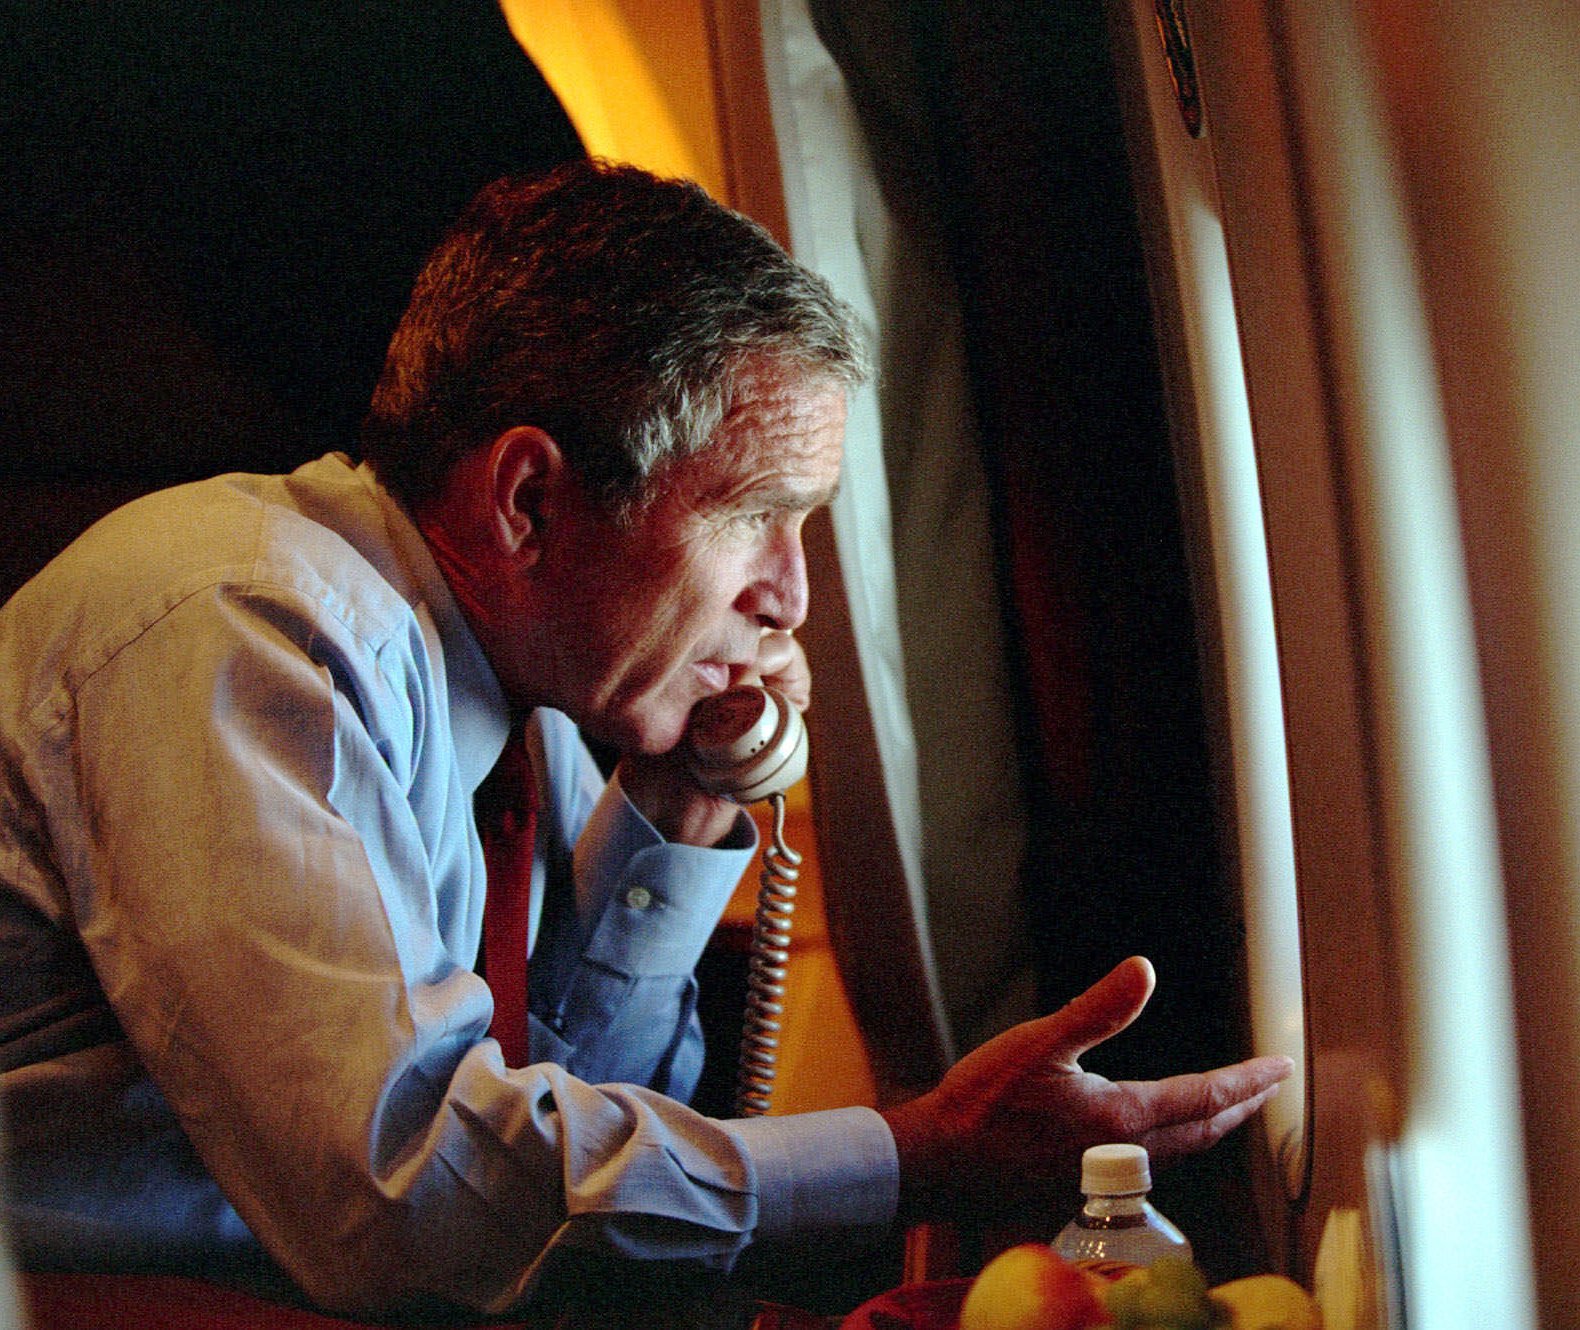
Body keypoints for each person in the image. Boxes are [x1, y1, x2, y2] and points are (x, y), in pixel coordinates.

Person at [0, 160, 1290, 1318]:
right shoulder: (242, 625)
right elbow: (406, 1201)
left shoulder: (533, 713)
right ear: (530, 500)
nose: (790, 593)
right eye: (756, 517)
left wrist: (676, 810)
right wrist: (915, 1154)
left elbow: (552, 1150)